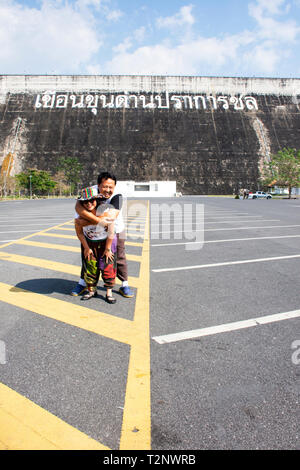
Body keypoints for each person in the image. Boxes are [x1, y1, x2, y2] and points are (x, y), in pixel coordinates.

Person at [71, 172, 134, 298]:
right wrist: (99, 221)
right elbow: (78, 207)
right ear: (98, 185)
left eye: (111, 187)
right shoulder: (90, 192)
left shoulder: (118, 195)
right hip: (92, 233)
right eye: (105, 186)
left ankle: (124, 284)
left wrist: (85, 221)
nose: (108, 190)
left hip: (115, 229)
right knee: (87, 256)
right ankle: (83, 283)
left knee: (118, 257)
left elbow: (111, 217)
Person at [74, 186, 117, 304]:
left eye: (91, 200)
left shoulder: (105, 212)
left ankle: (109, 292)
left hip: (105, 243)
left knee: (108, 266)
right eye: (85, 202)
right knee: (90, 267)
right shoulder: (79, 217)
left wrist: (108, 249)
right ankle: (92, 291)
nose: (88, 204)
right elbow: (79, 233)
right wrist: (86, 248)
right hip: (91, 243)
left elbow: (111, 231)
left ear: (97, 200)